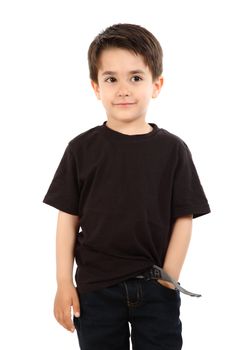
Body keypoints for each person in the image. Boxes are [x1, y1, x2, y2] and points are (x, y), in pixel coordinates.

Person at [42, 23, 211, 350]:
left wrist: (168, 279)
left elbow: (184, 218)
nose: (123, 89)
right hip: (95, 289)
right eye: (111, 79)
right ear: (96, 87)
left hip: (154, 284)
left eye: (136, 77)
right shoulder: (81, 149)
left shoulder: (173, 150)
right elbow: (67, 219)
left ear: (156, 85)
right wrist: (64, 281)